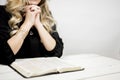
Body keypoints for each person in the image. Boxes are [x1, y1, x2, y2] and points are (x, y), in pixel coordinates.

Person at [0, 0, 64, 65]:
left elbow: (57, 52)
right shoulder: (3, 12)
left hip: (41, 70)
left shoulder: (45, 14)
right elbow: (3, 56)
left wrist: (38, 24)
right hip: (12, 72)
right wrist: (28, 23)